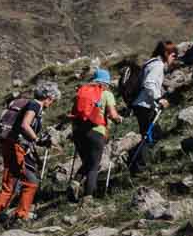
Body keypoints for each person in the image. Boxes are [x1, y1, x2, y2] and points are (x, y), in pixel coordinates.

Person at [0, 82, 60, 223]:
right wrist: (37, 139)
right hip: (16, 147)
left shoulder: (25, 103)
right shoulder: (35, 105)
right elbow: (25, 124)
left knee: (23, 182)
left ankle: (10, 215)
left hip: (10, 144)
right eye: (53, 100)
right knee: (18, 184)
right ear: (48, 97)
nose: (52, 103)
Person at [68, 72, 122, 200]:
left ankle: (75, 183)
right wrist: (119, 119)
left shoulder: (81, 93)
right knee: (94, 165)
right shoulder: (106, 94)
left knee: (88, 162)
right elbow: (113, 115)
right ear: (105, 83)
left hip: (77, 132)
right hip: (96, 131)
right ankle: (88, 198)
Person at [126, 42, 178, 174]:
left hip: (142, 104)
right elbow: (149, 83)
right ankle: (138, 166)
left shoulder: (151, 63)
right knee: (150, 135)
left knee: (152, 134)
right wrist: (158, 99)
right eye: (173, 55)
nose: (174, 58)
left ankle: (135, 159)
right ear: (166, 54)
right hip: (146, 105)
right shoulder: (158, 65)